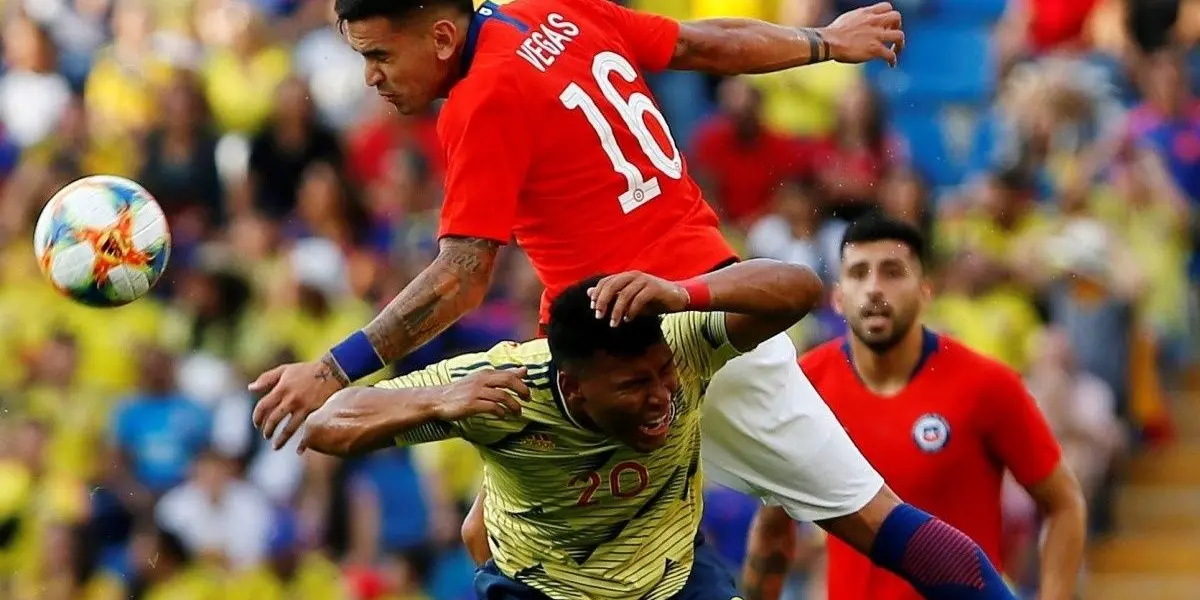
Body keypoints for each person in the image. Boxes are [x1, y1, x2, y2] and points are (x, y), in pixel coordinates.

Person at [245, 1, 1013, 598]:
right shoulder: (554, 11)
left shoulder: (483, 99)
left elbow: (462, 277)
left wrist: (333, 368)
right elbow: (699, 43)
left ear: (442, 38)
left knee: (873, 525)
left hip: (655, 351)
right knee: (490, 534)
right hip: (686, 321)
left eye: (379, 54)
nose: (370, 77)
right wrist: (822, 43)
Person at [301, 260, 822, 598]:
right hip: (543, 589)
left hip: (672, 577)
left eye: (664, 372)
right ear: (573, 389)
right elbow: (324, 425)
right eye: (634, 385)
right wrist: (439, 401)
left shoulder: (684, 340)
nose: (662, 396)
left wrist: (684, 292)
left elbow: (802, 289)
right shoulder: (500, 386)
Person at [741, 216, 1088, 600]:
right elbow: (773, 527)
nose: (874, 288)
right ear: (838, 297)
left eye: (892, 272)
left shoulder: (987, 384)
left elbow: (1064, 503)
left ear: (926, 291)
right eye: (859, 273)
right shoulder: (805, 386)